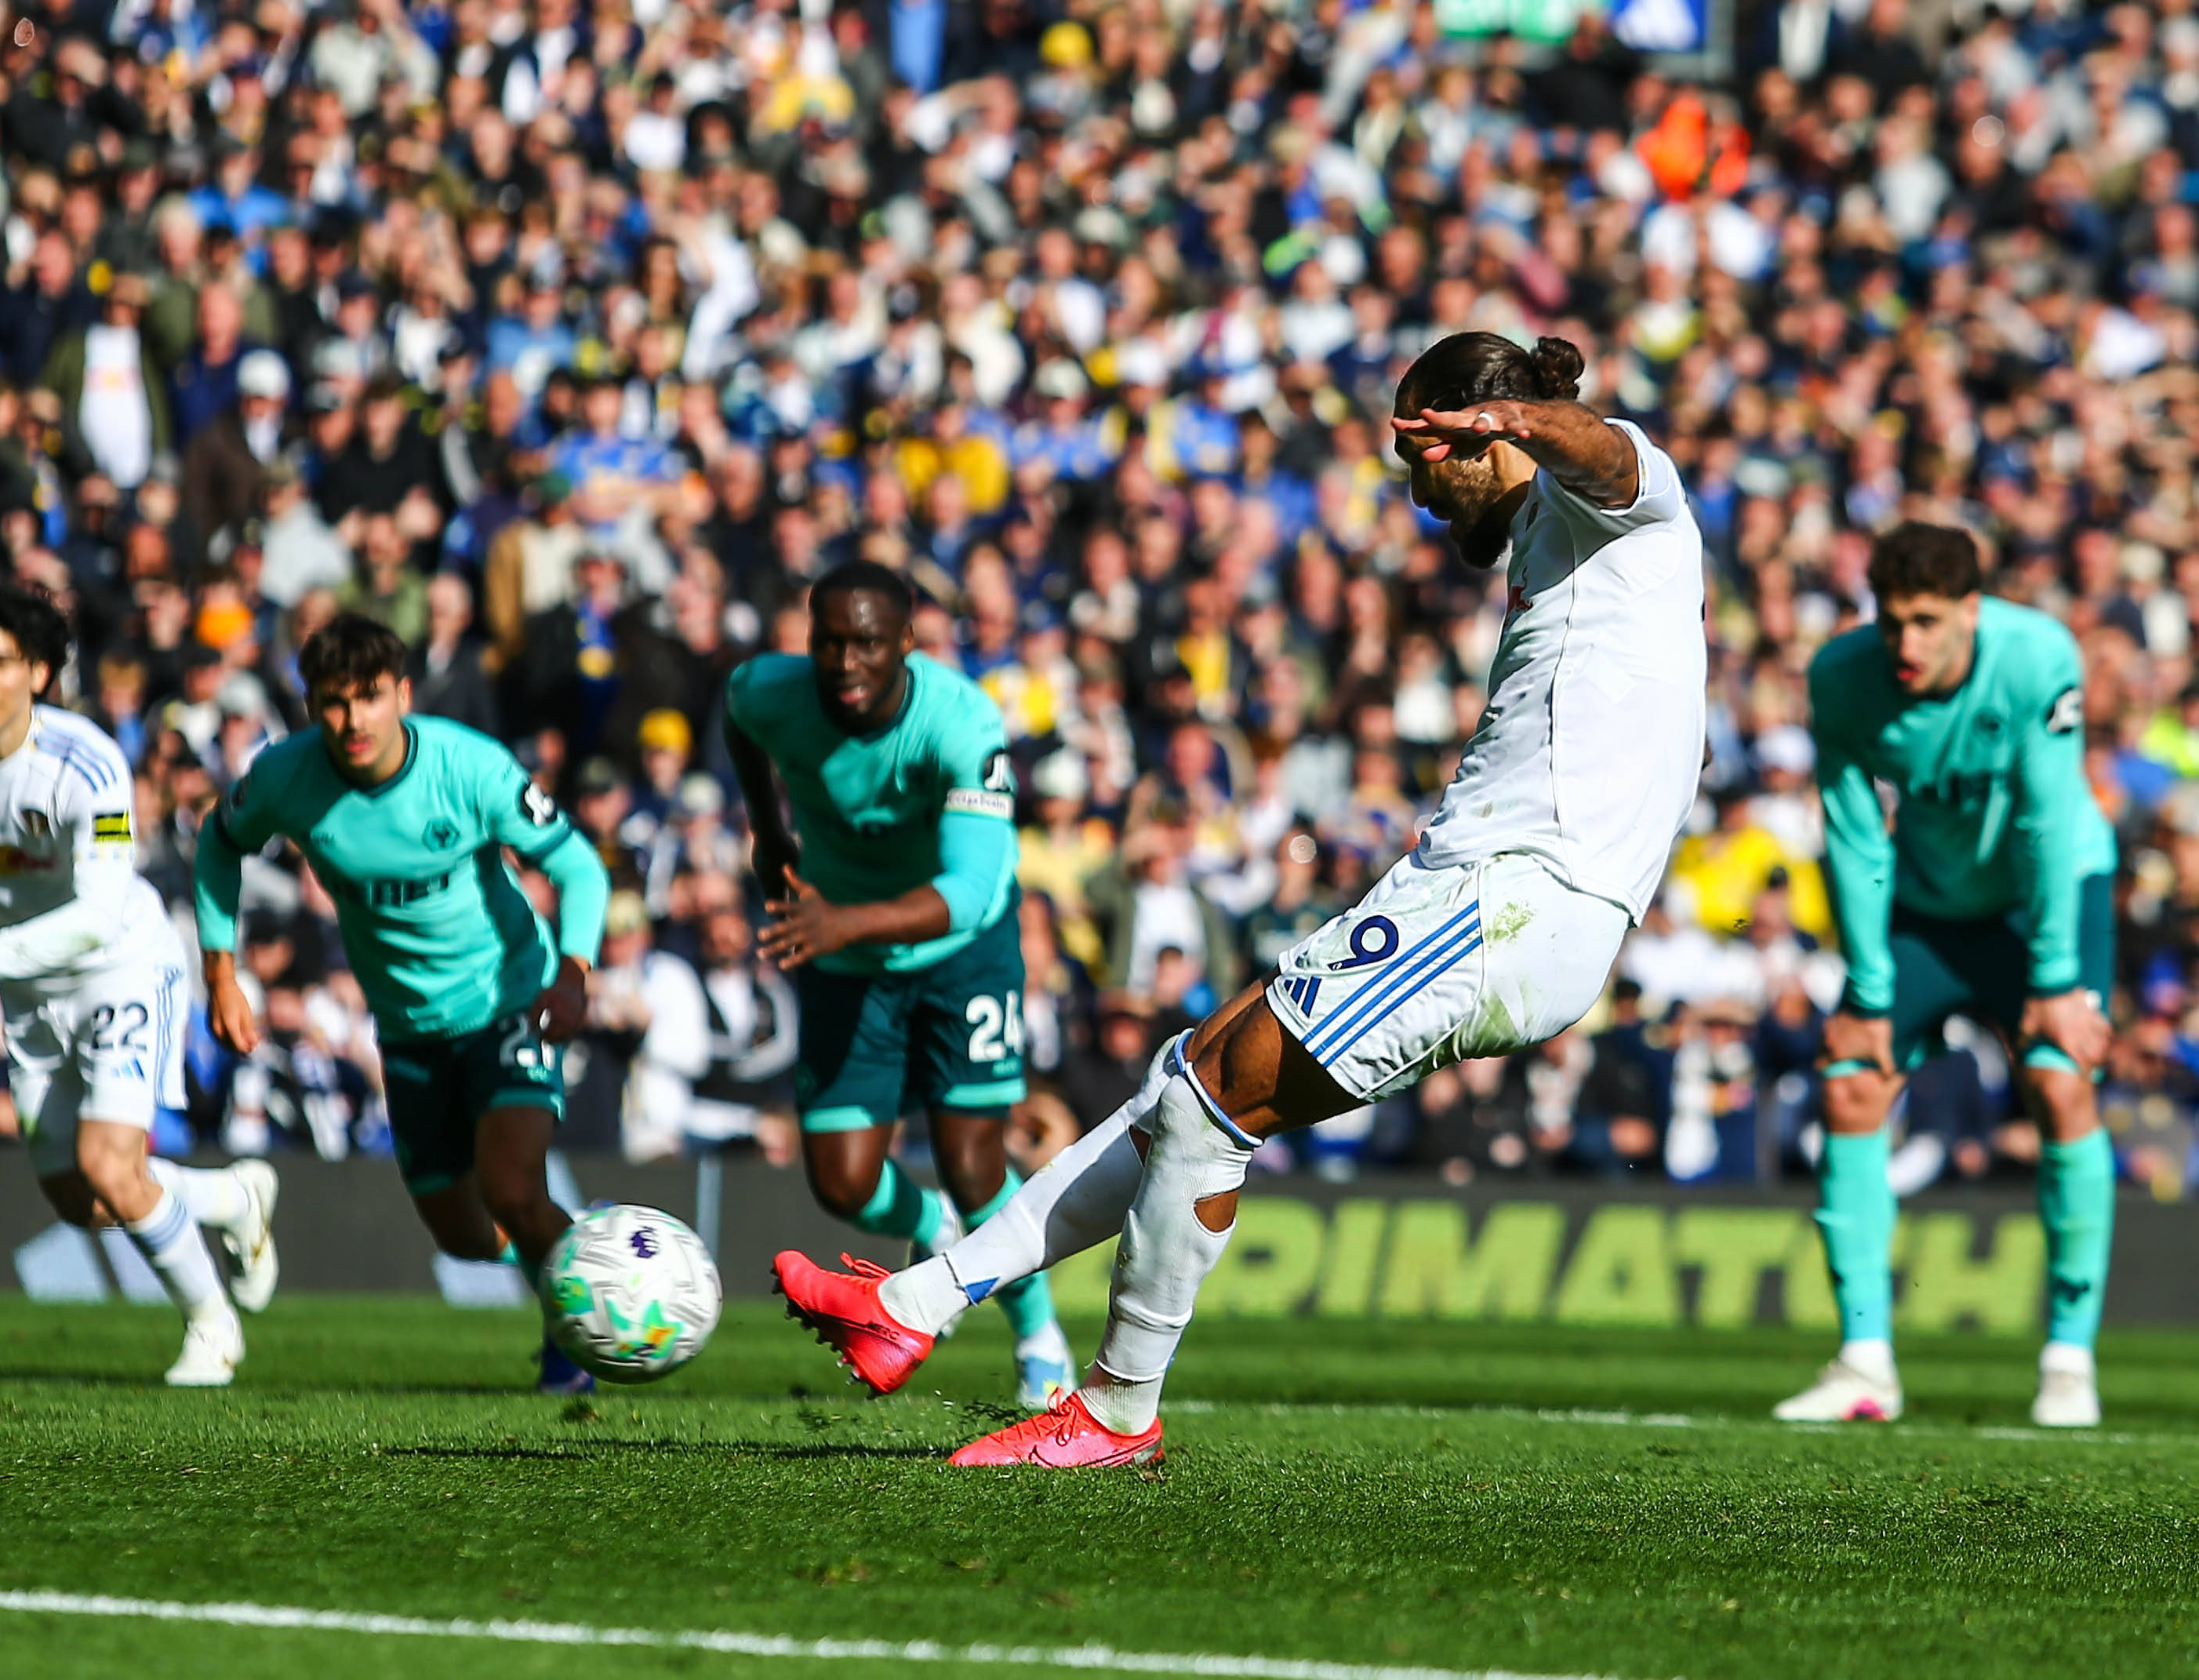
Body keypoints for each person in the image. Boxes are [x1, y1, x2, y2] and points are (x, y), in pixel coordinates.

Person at [774, 333, 1707, 1466]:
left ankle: (1115, 1412)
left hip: (1521, 896)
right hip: (1469, 887)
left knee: (1215, 1099)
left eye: (1420, 454)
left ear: (1478, 432)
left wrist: (1509, 420)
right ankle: (914, 1303)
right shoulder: (1546, 535)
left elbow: (1607, 453)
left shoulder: (1624, 503)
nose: (1415, 493)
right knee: (1187, 1076)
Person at [193, 613, 612, 1393]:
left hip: (510, 998)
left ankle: (587, 1327)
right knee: (467, 1236)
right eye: (334, 702)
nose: (353, 721)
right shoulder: (286, 777)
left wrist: (576, 971)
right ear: (311, 705)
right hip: (408, 1030)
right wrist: (221, 972)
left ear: (403, 695)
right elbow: (219, 844)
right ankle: (581, 1245)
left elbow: (580, 867)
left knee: (513, 1187)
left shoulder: (469, 767)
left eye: (371, 698)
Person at [0, 583, 277, 1386]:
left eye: (0, 662)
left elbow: (94, 919)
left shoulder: (90, 763)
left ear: (40, 673)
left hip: (119, 966)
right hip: (24, 990)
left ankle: (212, 1327)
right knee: (82, 1200)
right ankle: (231, 1198)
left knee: (110, 1164)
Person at [1776, 523, 2118, 1428]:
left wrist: (2053, 981)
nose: (1908, 646)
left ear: (1973, 610)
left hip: (2044, 897)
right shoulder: (1844, 677)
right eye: (1892, 623)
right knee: (1851, 1084)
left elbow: (2048, 821)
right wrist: (1868, 991)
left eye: (1928, 622)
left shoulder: (2039, 656)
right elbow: (1852, 839)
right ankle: (1863, 1363)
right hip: (1927, 904)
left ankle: (2068, 1363)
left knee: (2058, 1076)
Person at [726, 558, 1077, 1411]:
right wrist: (771, 834)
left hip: (964, 953)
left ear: (907, 646)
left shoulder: (959, 722)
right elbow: (740, 719)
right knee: (841, 1182)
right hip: (846, 954)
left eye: (868, 645)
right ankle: (938, 1235)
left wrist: (842, 921)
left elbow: (966, 890)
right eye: (829, 643)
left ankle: (1038, 1334)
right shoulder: (769, 691)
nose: (845, 663)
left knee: (971, 1159)